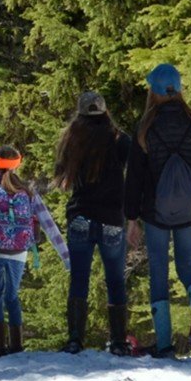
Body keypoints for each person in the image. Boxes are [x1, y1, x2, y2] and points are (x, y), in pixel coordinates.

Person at [124, 64, 191, 362]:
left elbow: (134, 177)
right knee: (187, 268)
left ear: (154, 91)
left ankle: (164, 343)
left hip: (155, 213)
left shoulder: (146, 127)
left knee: (158, 270)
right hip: (190, 211)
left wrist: (131, 218)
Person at [52, 91, 134, 355]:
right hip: (112, 218)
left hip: (81, 216)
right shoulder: (121, 139)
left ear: (81, 113)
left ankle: (75, 339)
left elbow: (62, 180)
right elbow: (136, 170)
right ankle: (119, 342)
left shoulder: (71, 138)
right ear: (104, 111)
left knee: (79, 278)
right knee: (115, 280)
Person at [0, 146, 69, 356]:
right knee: (12, 296)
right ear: (18, 163)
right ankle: (17, 346)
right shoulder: (27, 191)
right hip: (19, 251)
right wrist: (66, 257)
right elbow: (49, 225)